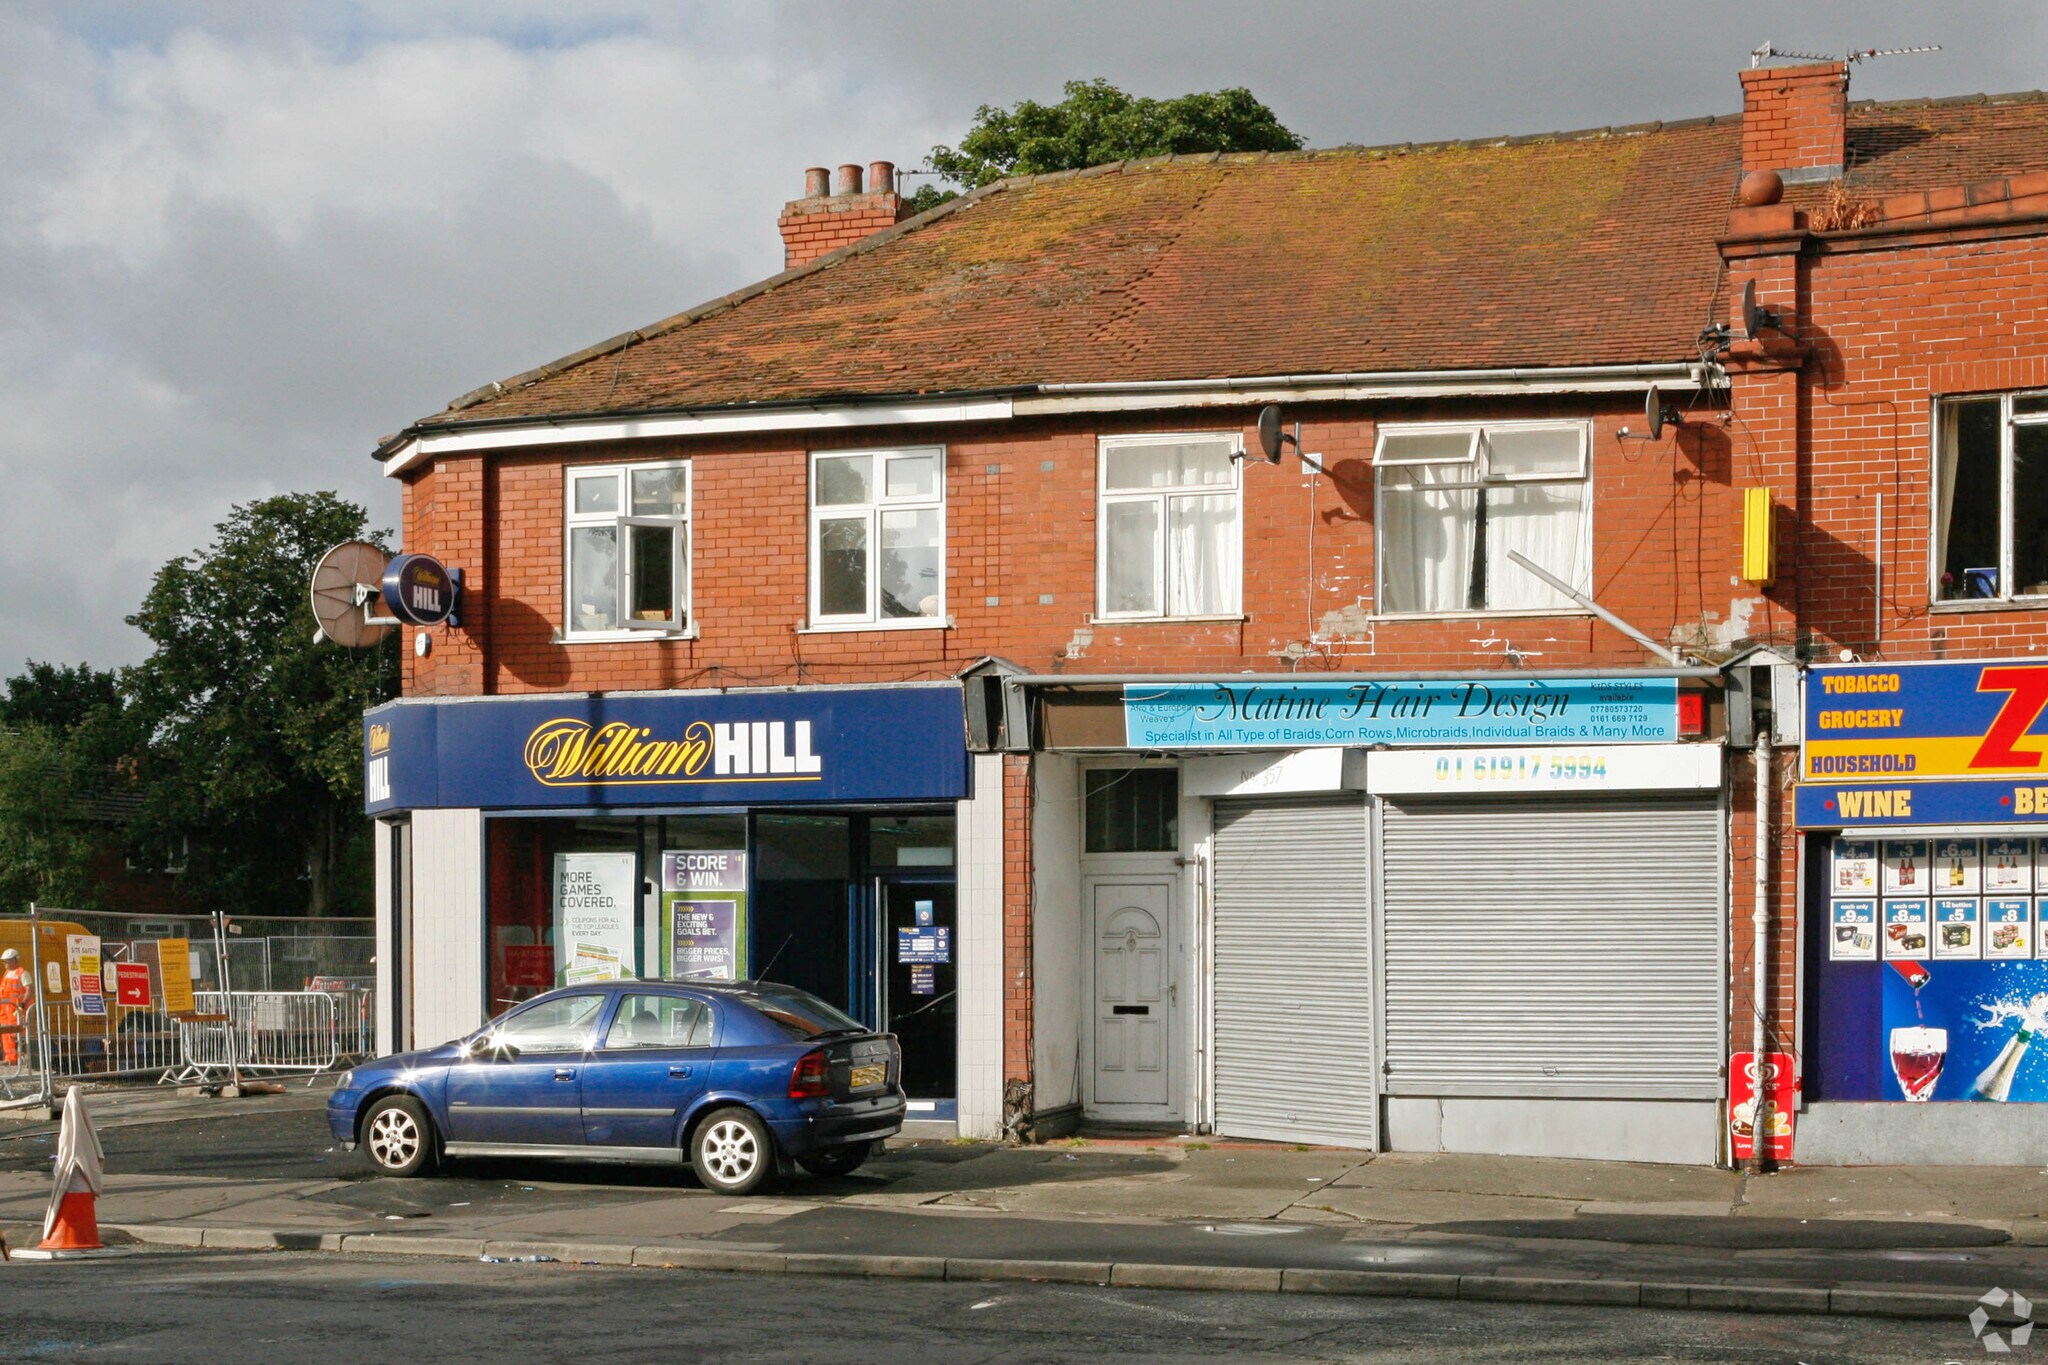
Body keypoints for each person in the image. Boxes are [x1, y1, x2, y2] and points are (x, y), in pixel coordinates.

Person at [0, 948, 32, 1068]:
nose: (5, 964)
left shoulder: (22, 973)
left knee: (17, 1034)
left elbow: (29, 989)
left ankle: (21, 1060)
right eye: (4, 961)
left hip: (16, 1010)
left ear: (14, 960)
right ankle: (10, 1059)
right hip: (5, 1011)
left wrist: (23, 1003)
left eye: (7, 961)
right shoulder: (7, 974)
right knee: (6, 1035)